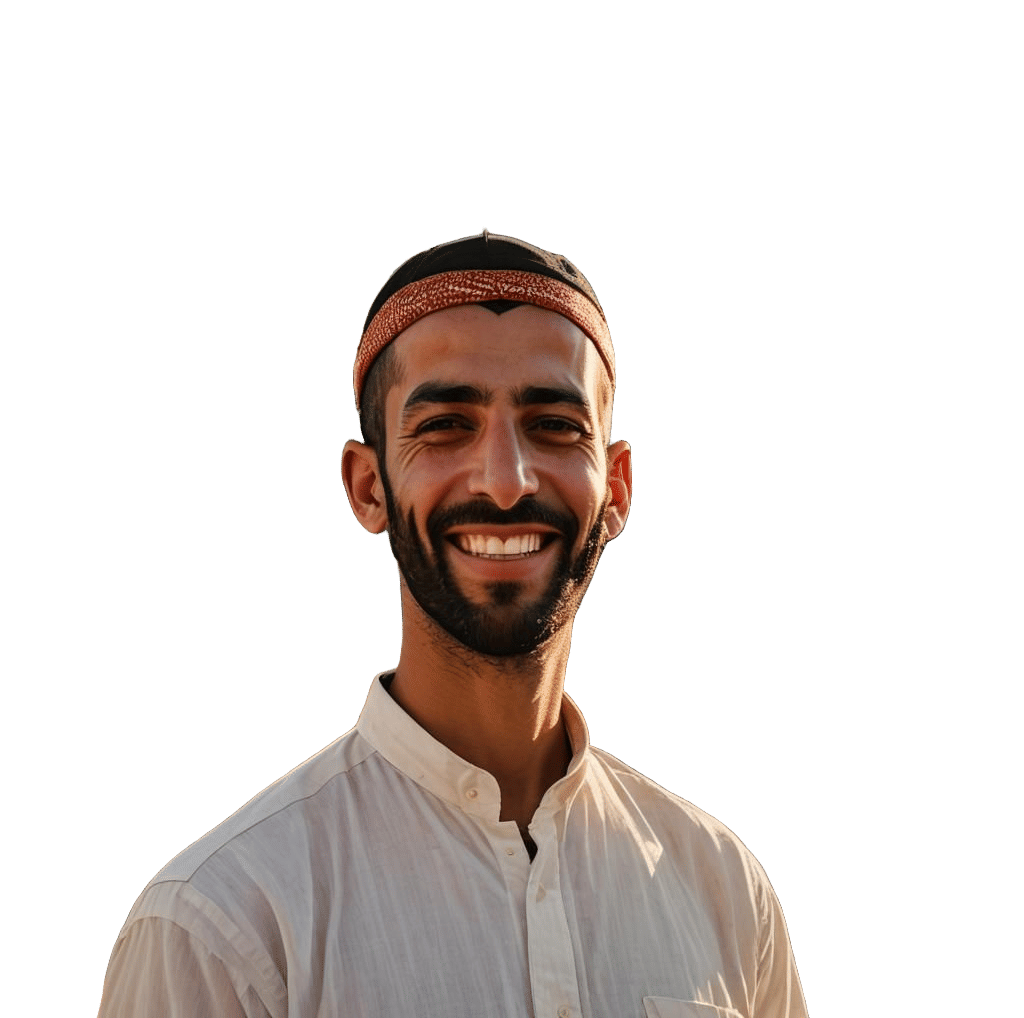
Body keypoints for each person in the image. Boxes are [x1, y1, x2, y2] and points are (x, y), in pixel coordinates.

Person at [97, 230, 808, 1017]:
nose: (505, 483)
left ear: (615, 487)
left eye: (554, 426)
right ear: (368, 486)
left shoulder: (725, 895)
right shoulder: (226, 923)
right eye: (445, 427)